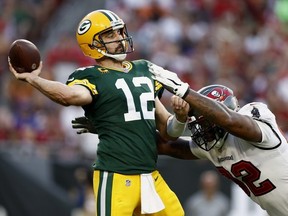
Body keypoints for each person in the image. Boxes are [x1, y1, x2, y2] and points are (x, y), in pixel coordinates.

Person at [8, 9, 188, 216]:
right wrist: (34, 79)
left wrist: (181, 118)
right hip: (116, 176)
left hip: (150, 175)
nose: (120, 38)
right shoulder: (92, 76)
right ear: (92, 45)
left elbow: (168, 132)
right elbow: (70, 96)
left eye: (120, 32)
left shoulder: (144, 69)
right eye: (110, 35)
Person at [147, 63, 288, 216]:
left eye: (205, 122)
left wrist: (183, 90)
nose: (202, 130)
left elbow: (230, 121)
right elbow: (166, 145)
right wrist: (144, 99)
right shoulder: (212, 146)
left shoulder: (256, 115)